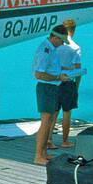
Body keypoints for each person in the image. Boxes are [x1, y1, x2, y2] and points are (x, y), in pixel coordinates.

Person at [32, 24, 70, 164]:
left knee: (50, 121)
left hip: (52, 87)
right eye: (61, 41)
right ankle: (38, 156)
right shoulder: (45, 50)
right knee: (45, 122)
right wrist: (57, 78)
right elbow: (39, 74)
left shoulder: (52, 49)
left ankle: (44, 153)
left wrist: (59, 75)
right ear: (54, 37)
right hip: (46, 87)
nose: (61, 44)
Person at [55, 18, 83, 148]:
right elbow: (78, 70)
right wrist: (76, 87)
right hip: (68, 83)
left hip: (53, 81)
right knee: (66, 112)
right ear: (73, 31)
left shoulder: (55, 45)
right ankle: (65, 141)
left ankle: (49, 140)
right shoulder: (76, 47)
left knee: (53, 112)